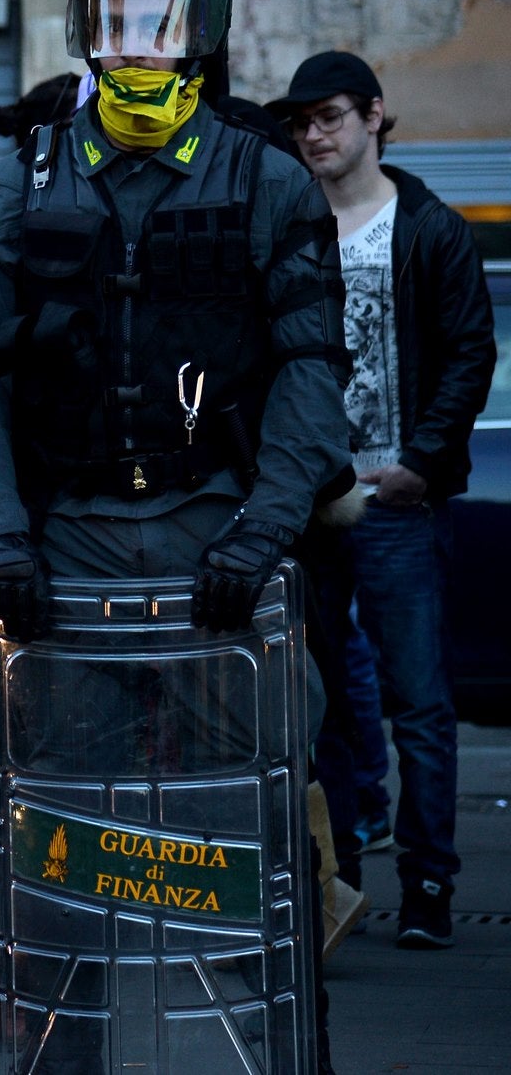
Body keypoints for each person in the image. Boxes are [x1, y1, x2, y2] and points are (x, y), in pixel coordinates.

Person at [0, 0, 350, 1064]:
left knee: (249, 828)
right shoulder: (21, 181)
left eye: (158, 19)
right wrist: (0, 540)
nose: (136, 41)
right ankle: (55, 1055)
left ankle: (262, 1045)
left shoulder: (265, 179)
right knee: (57, 844)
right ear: (84, 23)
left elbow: (314, 372)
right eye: (116, 16)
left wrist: (262, 533)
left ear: (201, 27)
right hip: (58, 561)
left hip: (217, 553)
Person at [267, 50, 496, 948]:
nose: (312, 135)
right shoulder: (289, 226)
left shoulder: (428, 227)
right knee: (316, 701)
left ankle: (430, 884)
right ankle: (336, 882)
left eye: (328, 116)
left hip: (398, 502)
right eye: (300, 122)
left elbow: (470, 354)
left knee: (419, 702)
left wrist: (422, 465)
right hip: (315, 505)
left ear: (374, 116)